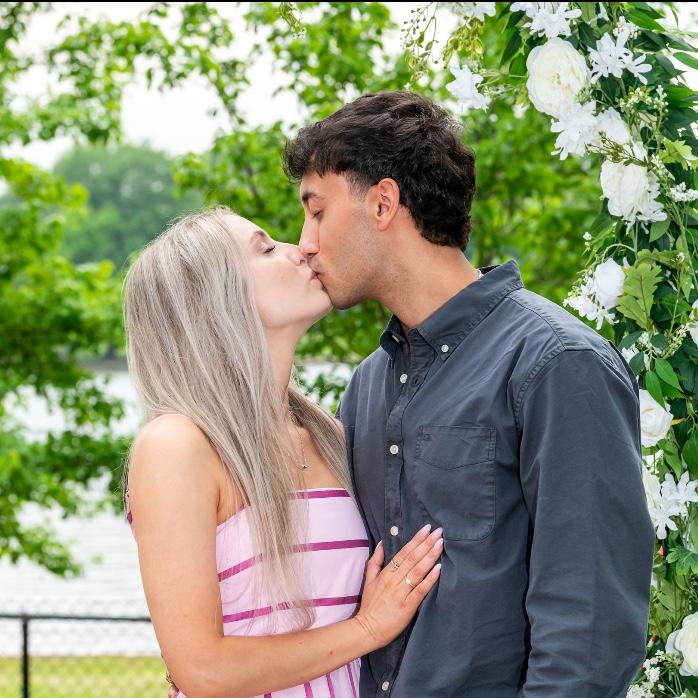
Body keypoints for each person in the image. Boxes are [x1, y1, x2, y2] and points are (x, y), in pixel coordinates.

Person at [280, 90, 656, 697]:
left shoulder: (558, 364)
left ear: (383, 203)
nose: (305, 241)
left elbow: (589, 638)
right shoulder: (367, 387)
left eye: (317, 212)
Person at [123, 208, 443, 698]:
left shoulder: (329, 435)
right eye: (267, 249)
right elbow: (202, 671)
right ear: (214, 300)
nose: (303, 249)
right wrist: (366, 629)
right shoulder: (178, 446)